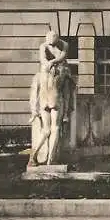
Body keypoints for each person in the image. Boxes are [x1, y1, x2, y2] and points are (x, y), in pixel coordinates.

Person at [27, 31, 73, 166]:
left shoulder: (41, 74)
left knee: (45, 130)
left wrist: (34, 110)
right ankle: (51, 160)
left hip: (43, 99)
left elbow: (34, 92)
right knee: (56, 128)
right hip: (55, 99)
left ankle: (33, 156)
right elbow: (67, 92)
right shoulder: (63, 72)